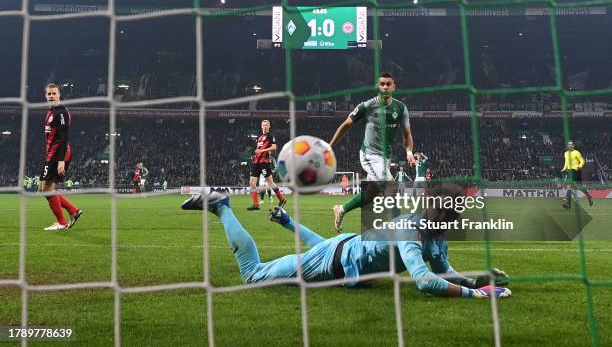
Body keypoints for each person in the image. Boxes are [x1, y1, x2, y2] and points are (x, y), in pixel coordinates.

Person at [180, 185, 511, 298]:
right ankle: (221, 206)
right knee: (252, 273)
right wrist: (474, 295)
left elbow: (442, 270)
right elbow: (424, 281)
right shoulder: (412, 232)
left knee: (326, 248)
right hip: (334, 261)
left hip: (342, 251)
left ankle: (243, 211)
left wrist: (476, 281)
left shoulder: (435, 236)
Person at [329, 72, 414, 232]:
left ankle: (341, 209)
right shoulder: (366, 106)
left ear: (394, 87)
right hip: (369, 155)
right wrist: (330, 145)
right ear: (378, 86)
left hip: (385, 158)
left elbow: (407, 134)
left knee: (370, 194)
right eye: (382, 84)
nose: (385, 87)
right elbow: (346, 124)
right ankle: (397, 228)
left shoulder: (401, 108)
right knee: (392, 187)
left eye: (388, 84)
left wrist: (409, 152)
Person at [40, 83, 83, 231]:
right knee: (43, 188)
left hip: (59, 154)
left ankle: (61, 222)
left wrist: (61, 161)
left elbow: (64, 138)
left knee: (47, 189)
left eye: (54, 93)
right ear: (45, 96)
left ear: (59, 95)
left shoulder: (62, 113)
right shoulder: (51, 112)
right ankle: (73, 211)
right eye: (49, 94)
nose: (51, 96)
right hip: (51, 154)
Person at [247, 119, 286, 210]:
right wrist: (255, 156)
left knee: (270, 183)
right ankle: (256, 204)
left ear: (269, 126)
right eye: (263, 125)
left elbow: (274, 147)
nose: (264, 127)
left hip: (265, 163)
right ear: (261, 126)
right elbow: (258, 150)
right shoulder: (260, 137)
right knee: (252, 183)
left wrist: (262, 151)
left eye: (266, 125)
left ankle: (282, 199)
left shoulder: (270, 136)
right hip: (257, 163)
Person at [561, 140, 593, 208]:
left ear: (573, 145)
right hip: (569, 171)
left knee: (578, 187)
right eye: (569, 144)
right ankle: (568, 204)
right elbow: (566, 162)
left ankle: (588, 197)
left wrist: (579, 167)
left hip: (576, 171)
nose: (570, 145)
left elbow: (582, 161)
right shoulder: (566, 153)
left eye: (572, 144)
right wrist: (564, 168)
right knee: (569, 187)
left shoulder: (577, 152)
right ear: (567, 146)